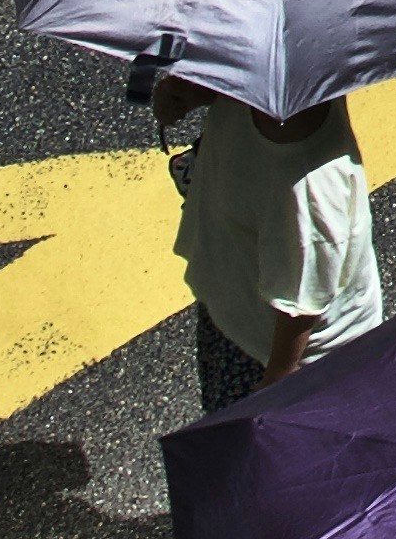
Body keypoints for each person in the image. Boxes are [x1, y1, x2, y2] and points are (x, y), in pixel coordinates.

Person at [151, 74, 383, 407]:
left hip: (280, 353)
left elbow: (304, 300)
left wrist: (277, 380)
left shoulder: (308, 189)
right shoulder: (262, 87)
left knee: (246, 448)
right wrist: (196, 91)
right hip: (240, 304)